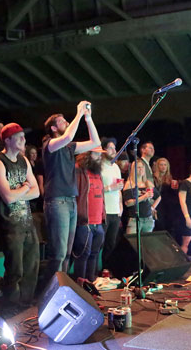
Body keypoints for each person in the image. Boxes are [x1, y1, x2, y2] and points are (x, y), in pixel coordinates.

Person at [41, 101, 101, 283]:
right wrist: (78, 113)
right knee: (58, 254)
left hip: (70, 201)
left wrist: (88, 118)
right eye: (62, 121)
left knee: (67, 253)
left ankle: (63, 288)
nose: (66, 122)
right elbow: (67, 137)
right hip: (57, 201)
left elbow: (95, 143)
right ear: (53, 128)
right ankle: (49, 291)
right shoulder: (49, 144)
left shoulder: (70, 147)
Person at [0, 123, 40, 307]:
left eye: (23, 136)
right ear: (7, 140)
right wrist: (26, 186)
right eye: (19, 137)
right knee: (15, 270)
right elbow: (8, 197)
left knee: (31, 267)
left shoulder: (23, 160)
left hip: (26, 222)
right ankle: (10, 307)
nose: (23, 140)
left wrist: (21, 188)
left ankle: (25, 306)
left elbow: (37, 192)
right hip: (9, 224)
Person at [73, 148, 106, 282]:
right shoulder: (78, 170)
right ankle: (80, 286)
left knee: (94, 254)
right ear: (87, 154)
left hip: (98, 221)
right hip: (85, 221)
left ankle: (90, 283)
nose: (99, 156)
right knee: (83, 254)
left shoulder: (98, 172)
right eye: (96, 153)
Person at [100, 138, 124, 270]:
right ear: (103, 149)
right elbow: (95, 190)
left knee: (111, 243)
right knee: (100, 243)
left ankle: (107, 270)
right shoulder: (98, 166)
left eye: (115, 147)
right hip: (103, 210)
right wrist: (110, 188)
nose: (114, 150)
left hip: (115, 210)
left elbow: (118, 188)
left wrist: (120, 204)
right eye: (110, 147)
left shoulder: (115, 167)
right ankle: (95, 272)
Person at [122, 159, 160, 234]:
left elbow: (158, 197)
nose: (141, 169)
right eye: (138, 167)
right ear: (133, 170)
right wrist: (144, 197)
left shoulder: (147, 183)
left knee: (146, 244)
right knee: (132, 243)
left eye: (142, 167)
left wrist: (152, 207)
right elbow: (128, 203)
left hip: (148, 219)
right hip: (135, 219)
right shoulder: (129, 184)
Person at [153, 157, 180, 236]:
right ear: (157, 166)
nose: (163, 167)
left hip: (168, 207)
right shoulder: (153, 178)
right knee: (158, 227)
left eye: (165, 165)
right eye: (161, 165)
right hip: (158, 205)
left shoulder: (170, 179)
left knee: (168, 228)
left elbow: (174, 195)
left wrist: (175, 188)